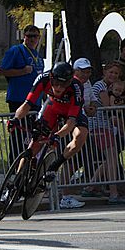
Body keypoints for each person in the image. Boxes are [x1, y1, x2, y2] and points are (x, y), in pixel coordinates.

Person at [7, 63, 89, 205]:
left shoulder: (76, 88)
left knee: (80, 136)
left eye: (62, 85)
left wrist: (57, 135)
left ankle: (56, 165)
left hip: (71, 113)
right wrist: (15, 119)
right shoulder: (42, 78)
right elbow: (27, 104)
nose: (58, 88)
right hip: (52, 109)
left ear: (69, 82)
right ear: (51, 78)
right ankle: (16, 182)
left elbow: (70, 122)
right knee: (34, 146)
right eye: (56, 84)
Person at [0, 25, 45, 161]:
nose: (32, 39)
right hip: (19, 99)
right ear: (24, 36)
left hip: (35, 100)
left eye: (35, 36)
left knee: (31, 135)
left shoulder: (38, 56)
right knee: (18, 134)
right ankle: (14, 163)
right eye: (29, 36)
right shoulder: (16, 50)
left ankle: (26, 164)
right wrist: (22, 71)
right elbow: (2, 71)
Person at [55, 58, 96, 208]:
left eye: (88, 71)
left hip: (80, 126)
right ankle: (63, 196)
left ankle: (63, 194)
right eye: (82, 71)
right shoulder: (68, 84)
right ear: (75, 71)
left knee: (76, 162)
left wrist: (92, 108)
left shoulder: (87, 84)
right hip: (67, 125)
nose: (86, 74)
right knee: (69, 162)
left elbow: (90, 103)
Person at [86, 61, 125, 204]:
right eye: (111, 72)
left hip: (105, 127)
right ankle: (114, 194)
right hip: (99, 127)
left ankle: (91, 187)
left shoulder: (110, 88)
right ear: (104, 72)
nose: (113, 75)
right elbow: (108, 108)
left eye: (116, 73)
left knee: (110, 159)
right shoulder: (101, 87)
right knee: (112, 158)